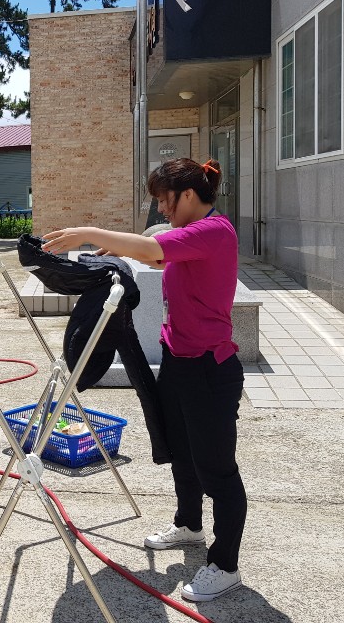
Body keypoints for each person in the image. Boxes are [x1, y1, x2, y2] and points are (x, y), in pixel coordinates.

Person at [42, 158, 246, 603]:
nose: (160, 209)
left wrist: (89, 232)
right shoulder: (188, 233)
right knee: (182, 451)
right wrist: (117, 250)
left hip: (211, 369)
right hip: (179, 360)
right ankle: (190, 525)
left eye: (164, 200)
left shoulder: (215, 232)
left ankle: (225, 564)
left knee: (217, 468)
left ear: (189, 196)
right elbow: (152, 244)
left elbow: (154, 250)